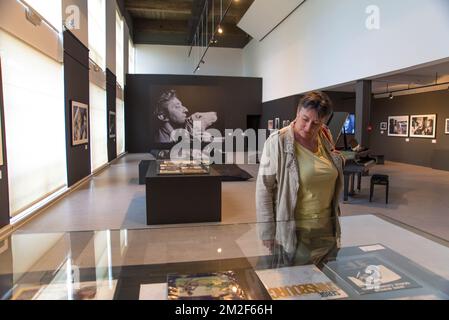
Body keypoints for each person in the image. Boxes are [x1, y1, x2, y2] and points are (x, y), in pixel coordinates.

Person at [256, 91, 345, 268]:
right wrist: (267, 232)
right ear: (297, 112)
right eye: (305, 119)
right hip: (296, 231)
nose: (308, 127)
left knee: (325, 283)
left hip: (327, 227)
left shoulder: (325, 137)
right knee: (296, 283)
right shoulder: (277, 142)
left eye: (316, 123)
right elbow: (263, 189)